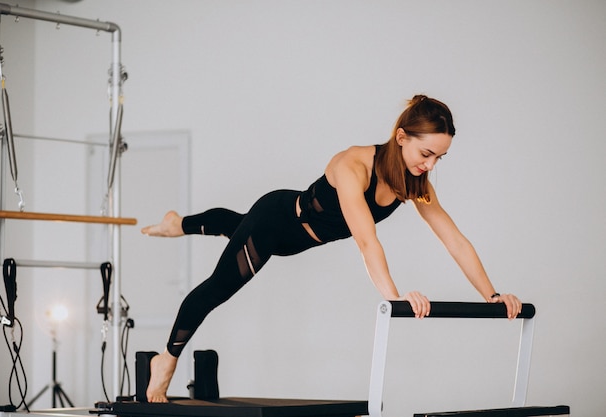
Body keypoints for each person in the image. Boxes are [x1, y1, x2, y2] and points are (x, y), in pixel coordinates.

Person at [141, 95, 523, 403]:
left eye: (440, 157)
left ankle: (179, 223)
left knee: (232, 223)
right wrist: (394, 300)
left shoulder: (415, 184)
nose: (432, 165)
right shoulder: (353, 165)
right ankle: (167, 360)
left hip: (297, 241)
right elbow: (366, 239)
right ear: (402, 136)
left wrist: (491, 294)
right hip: (274, 222)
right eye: (427, 154)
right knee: (218, 287)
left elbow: (453, 239)